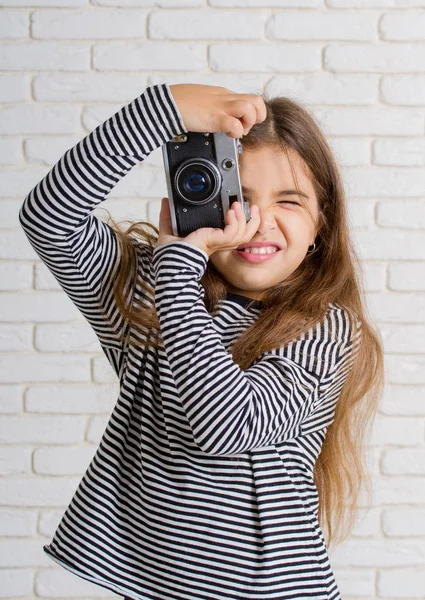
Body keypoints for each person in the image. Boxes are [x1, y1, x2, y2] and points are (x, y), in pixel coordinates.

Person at [19, 82, 384, 600]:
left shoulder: (323, 329)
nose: (255, 222)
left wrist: (176, 271)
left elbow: (224, 425)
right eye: (235, 198)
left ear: (321, 224)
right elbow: (47, 217)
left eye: (290, 201)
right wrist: (162, 109)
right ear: (196, 198)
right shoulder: (148, 288)